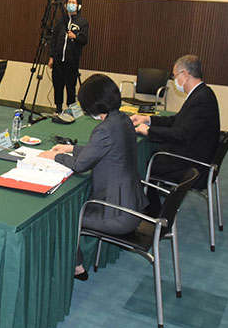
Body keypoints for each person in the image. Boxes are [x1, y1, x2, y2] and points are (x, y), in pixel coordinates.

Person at [38, 74, 148, 280]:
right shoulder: (122, 119)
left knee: (64, 218)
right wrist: (71, 148)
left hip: (118, 214)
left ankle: (76, 267)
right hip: (133, 203)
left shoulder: (104, 129)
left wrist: (56, 156)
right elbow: (103, 151)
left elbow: (81, 166)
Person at [130, 55, 220, 187]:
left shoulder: (201, 99)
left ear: (185, 75)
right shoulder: (202, 93)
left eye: (175, 76)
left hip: (193, 165)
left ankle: (149, 200)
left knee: (142, 162)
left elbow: (182, 134)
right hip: (193, 154)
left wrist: (149, 131)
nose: (174, 80)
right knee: (150, 154)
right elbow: (176, 120)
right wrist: (147, 119)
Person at [48, 0, 89, 113]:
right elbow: (54, 39)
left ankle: (71, 110)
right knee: (57, 85)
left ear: (78, 6)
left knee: (70, 86)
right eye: (69, 2)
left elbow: (84, 40)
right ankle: (58, 108)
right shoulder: (61, 21)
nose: (71, 4)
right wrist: (51, 57)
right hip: (58, 60)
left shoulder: (82, 22)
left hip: (72, 61)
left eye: (73, 2)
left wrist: (75, 37)